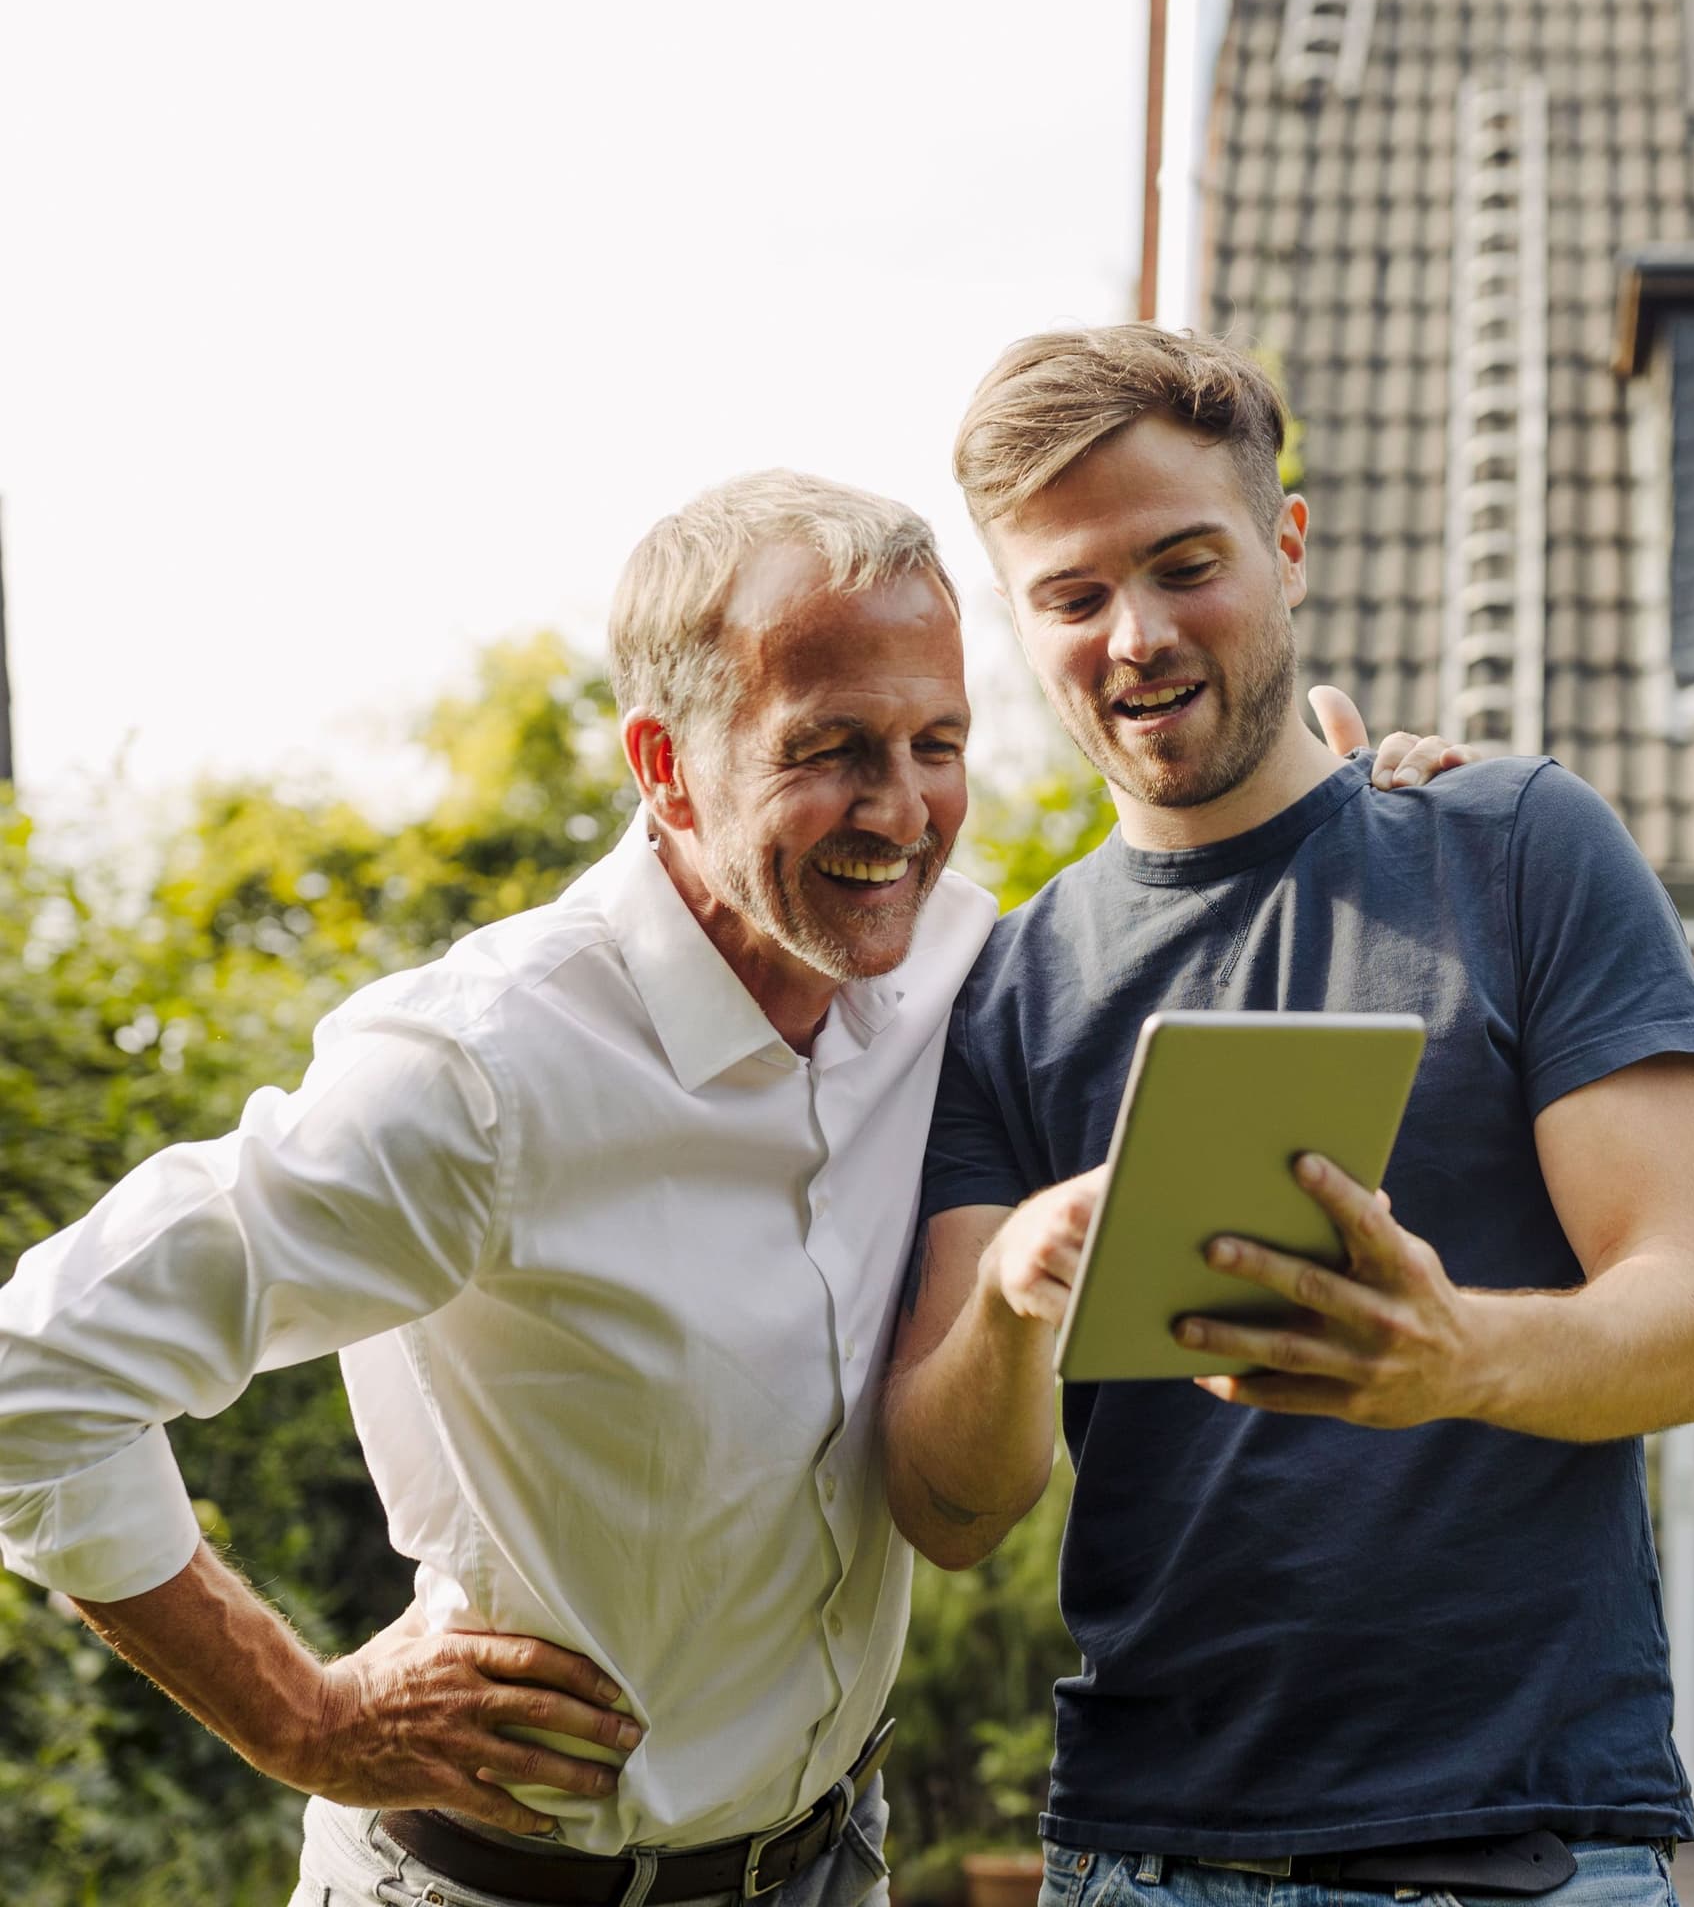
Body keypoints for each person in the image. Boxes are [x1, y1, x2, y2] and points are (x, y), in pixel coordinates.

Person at [0, 468, 1459, 1907]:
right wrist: (302, 1716)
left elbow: (1172, 966)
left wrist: (1364, 826)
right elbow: (32, 1377)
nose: (902, 812)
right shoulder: (474, 1075)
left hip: (832, 1862)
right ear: (664, 764)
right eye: (831, 747)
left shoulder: (958, 970)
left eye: (938, 743)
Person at [883, 325, 1694, 1907]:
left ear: (1285, 545)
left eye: (1183, 564)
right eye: (1071, 597)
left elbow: (1690, 1326)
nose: (1133, 634)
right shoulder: (1007, 991)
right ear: (1023, 624)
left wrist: (1454, 1355)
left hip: (1510, 1854)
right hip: (1144, 1854)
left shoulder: (1518, 851)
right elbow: (949, 1511)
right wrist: (1009, 1305)